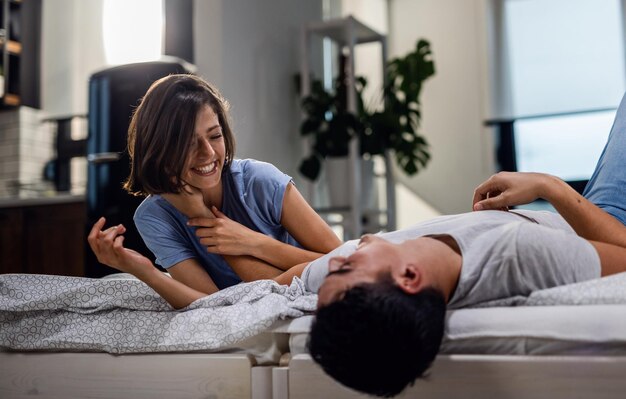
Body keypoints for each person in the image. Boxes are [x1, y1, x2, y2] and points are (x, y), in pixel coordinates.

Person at [89, 86, 626, 396]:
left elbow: (247, 296)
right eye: (348, 265)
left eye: (214, 136)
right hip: (595, 217)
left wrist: (222, 242)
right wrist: (552, 187)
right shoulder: (518, 256)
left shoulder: (333, 274)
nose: (344, 253)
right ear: (409, 278)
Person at [89, 74, 341, 297]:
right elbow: (211, 304)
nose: (208, 153)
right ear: (159, 148)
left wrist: (253, 242)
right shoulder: (154, 216)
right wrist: (142, 270)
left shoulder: (260, 181)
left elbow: (344, 261)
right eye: (188, 143)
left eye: (215, 135)